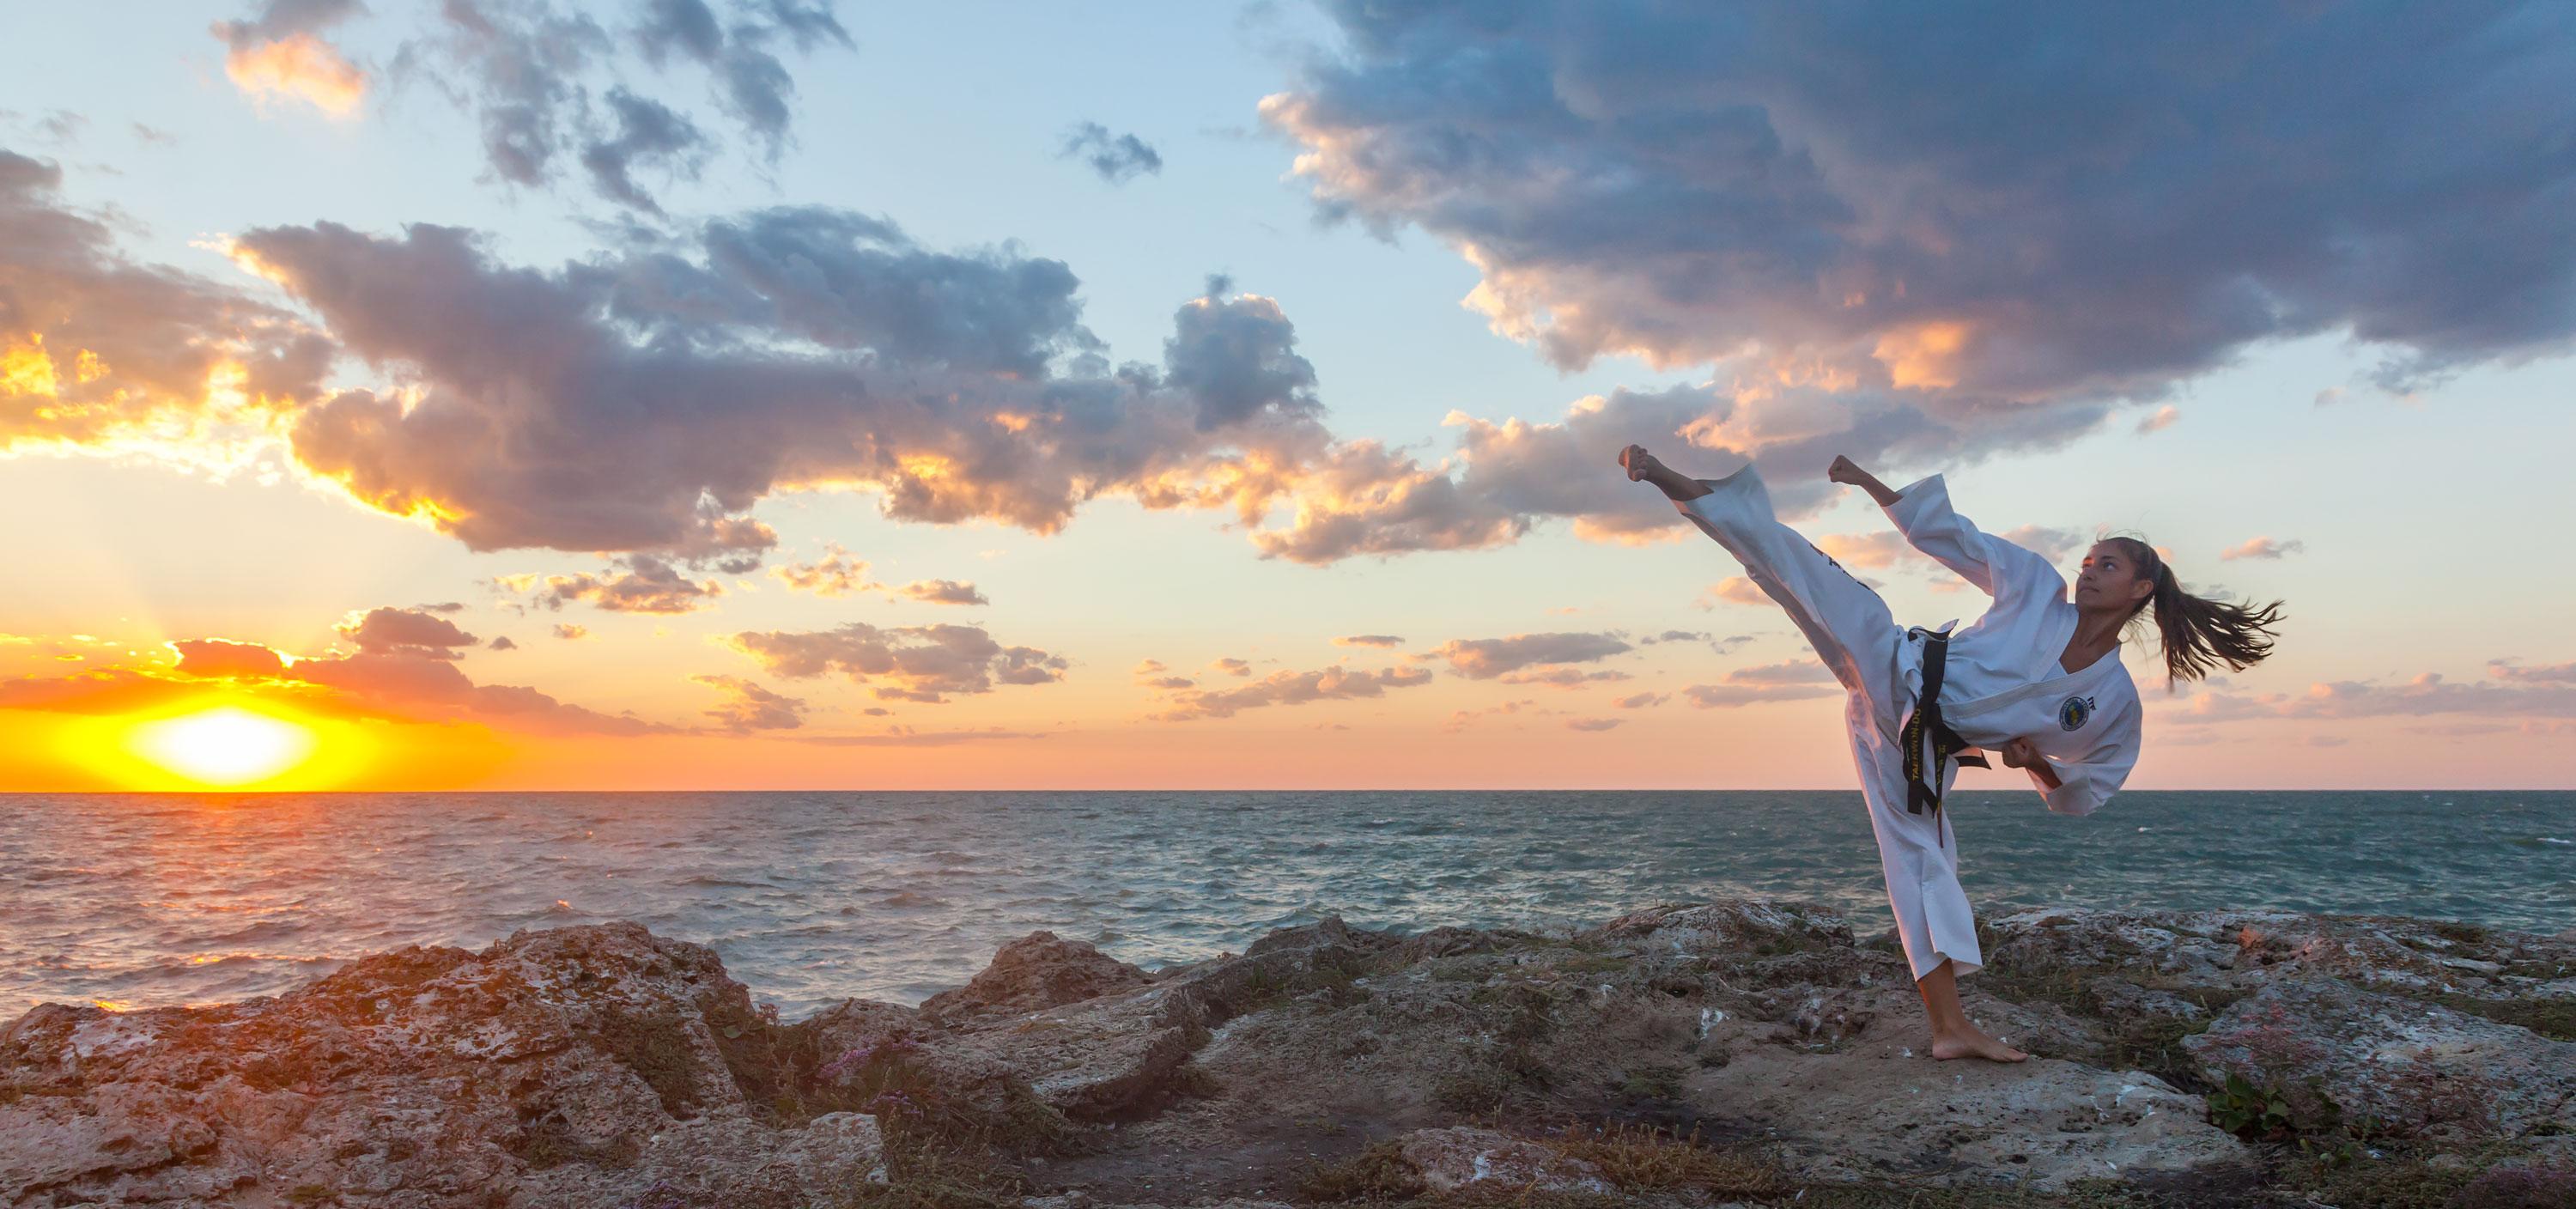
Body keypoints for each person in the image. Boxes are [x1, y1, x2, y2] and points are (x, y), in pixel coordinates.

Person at [1617, 444, 2285, 1061]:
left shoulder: (2111, 701)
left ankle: (1950, 1030)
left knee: (1924, 866)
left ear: (2140, 589)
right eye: (2087, 560)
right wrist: (1867, 482)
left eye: (2106, 565)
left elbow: (2086, 792)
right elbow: (1950, 537)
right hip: (1899, 667)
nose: (2087, 572)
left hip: (1918, 747)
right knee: (1805, 576)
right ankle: (1673, 481)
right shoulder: (2033, 587)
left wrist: (2038, 764)